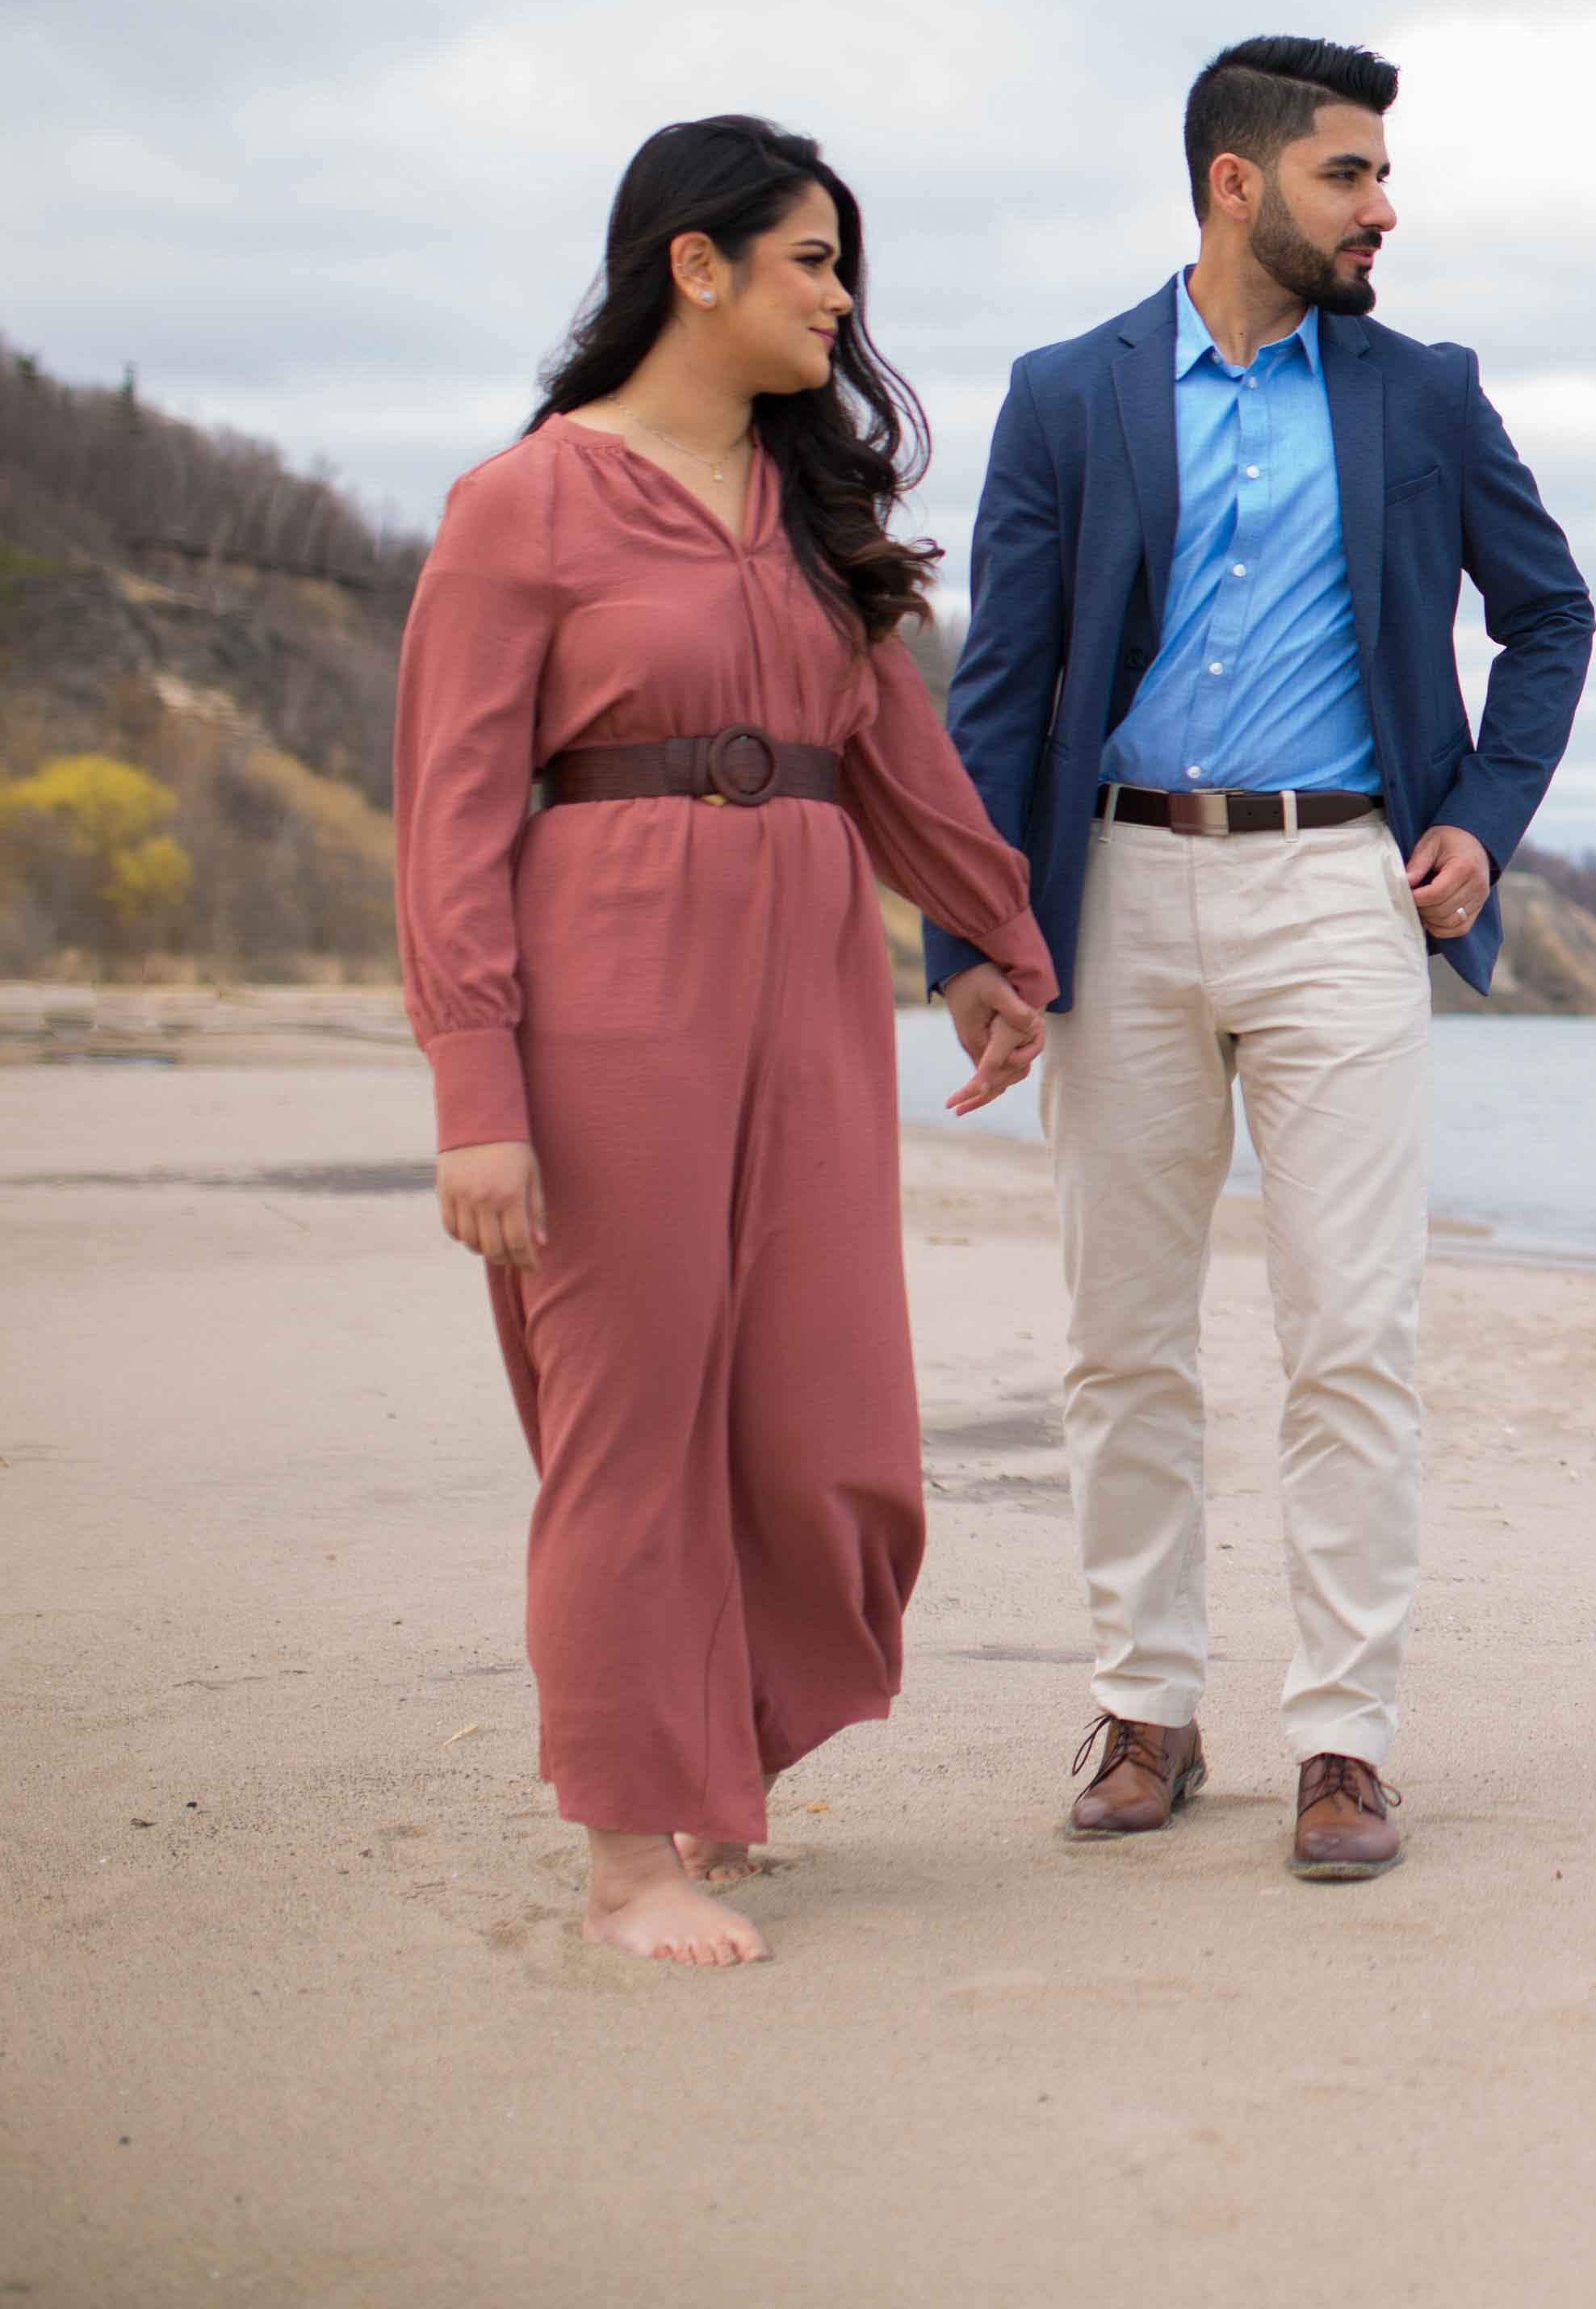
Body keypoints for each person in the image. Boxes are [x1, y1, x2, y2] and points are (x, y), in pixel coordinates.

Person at [397, 115, 1058, 1967]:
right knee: (631, 1423)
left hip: (810, 976)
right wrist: (478, 1101)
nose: (844, 307)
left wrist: (991, 939)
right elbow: (448, 818)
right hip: (607, 970)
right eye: (814, 264)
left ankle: (726, 1748)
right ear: (697, 266)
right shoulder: (521, 503)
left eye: (846, 270)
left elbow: (896, 757)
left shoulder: (808, 511)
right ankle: (633, 1851)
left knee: (825, 1418)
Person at [928, 35, 1590, 1880]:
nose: (1385, 209)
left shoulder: (1425, 396)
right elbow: (1003, 683)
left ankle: (1344, 1744)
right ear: (1238, 182)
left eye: (1384, 176)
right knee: (1117, 1336)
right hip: (1120, 894)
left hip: (1342, 891)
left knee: (1352, 1333)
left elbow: (1548, 618)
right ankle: (1147, 1710)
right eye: (1349, 175)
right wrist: (973, 933)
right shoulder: (1067, 395)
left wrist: (1482, 813)